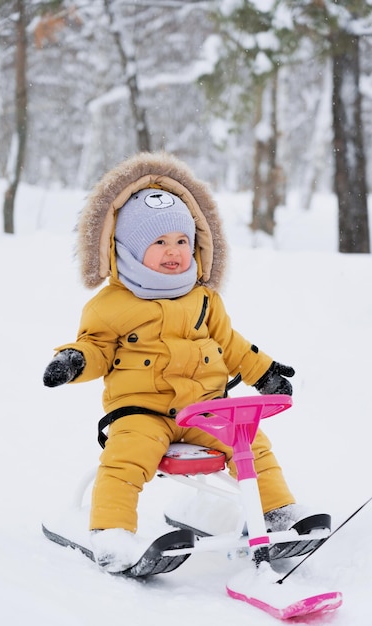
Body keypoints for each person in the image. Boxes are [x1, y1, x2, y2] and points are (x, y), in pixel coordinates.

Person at [43, 152, 306, 572]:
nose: (174, 252)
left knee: (252, 443)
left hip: (205, 409)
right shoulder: (110, 304)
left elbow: (230, 343)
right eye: (159, 242)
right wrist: (74, 360)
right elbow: (95, 347)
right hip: (142, 412)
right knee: (125, 458)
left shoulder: (204, 298)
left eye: (182, 241)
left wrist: (265, 371)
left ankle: (276, 515)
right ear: (128, 249)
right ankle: (112, 533)